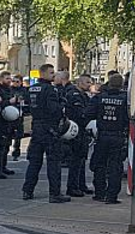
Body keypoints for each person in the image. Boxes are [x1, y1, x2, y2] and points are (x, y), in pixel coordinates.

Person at [21, 64, 68, 202]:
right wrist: (62, 104)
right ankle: (55, 193)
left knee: (34, 162)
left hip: (36, 127)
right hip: (49, 128)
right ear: (43, 74)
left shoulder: (30, 89)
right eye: (51, 72)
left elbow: (27, 106)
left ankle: (27, 190)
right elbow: (54, 109)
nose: (54, 75)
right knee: (53, 162)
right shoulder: (50, 89)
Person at [86, 73, 130, 204]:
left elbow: (88, 113)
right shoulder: (126, 99)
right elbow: (131, 118)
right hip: (118, 136)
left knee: (100, 165)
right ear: (122, 85)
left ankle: (99, 193)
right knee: (115, 167)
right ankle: (112, 196)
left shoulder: (99, 98)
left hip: (102, 135)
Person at [63, 74, 93, 196]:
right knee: (76, 160)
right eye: (87, 82)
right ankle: (72, 187)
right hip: (76, 130)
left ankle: (81, 185)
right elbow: (80, 114)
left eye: (90, 82)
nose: (89, 84)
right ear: (79, 83)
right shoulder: (74, 95)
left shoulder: (84, 96)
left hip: (83, 131)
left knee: (82, 159)